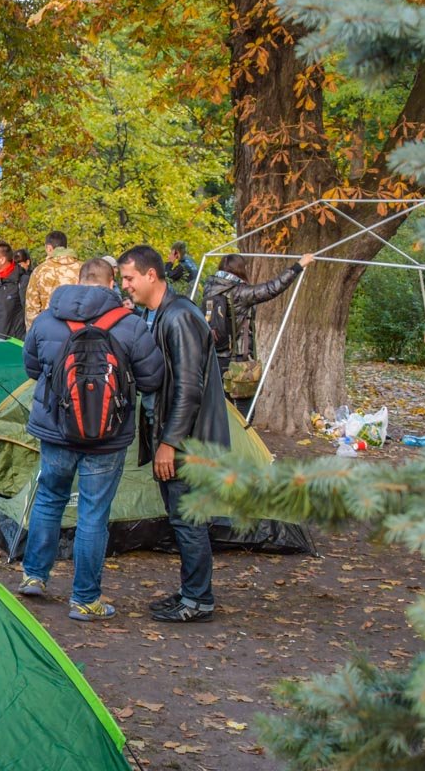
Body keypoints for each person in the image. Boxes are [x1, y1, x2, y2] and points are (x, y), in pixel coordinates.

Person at [19, 258, 164, 620]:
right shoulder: (130, 324)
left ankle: (34, 576)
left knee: (49, 499)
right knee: (93, 513)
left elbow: (32, 368)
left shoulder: (47, 319)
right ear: (111, 282)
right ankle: (85, 599)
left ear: (78, 279)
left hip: (56, 429)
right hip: (107, 436)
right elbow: (152, 378)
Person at [118, 245, 229, 623]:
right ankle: (191, 591)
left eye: (130, 278)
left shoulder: (180, 317)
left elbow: (189, 388)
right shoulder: (158, 314)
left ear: (151, 275)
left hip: (188, 442)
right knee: (181, 519)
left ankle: (199, 600)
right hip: (175, 435)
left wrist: (169, 443)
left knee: (187, 519)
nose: (125, 285)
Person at [202, 252, 315, 415]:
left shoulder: (210, 289)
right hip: (237, 359)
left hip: (215, 357)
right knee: (245, 412)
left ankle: (223, 432)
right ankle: (239, 433)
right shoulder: (240, 292)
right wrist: (298, 266)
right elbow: (272, 288)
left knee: (222, 409)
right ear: (240, 269)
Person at [24, 230, 81, 332]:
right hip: (78, 331)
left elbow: (32, 309)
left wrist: (32, 336)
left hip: (48, 331)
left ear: (49, 248)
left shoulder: (40, 271)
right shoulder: (83, 268)